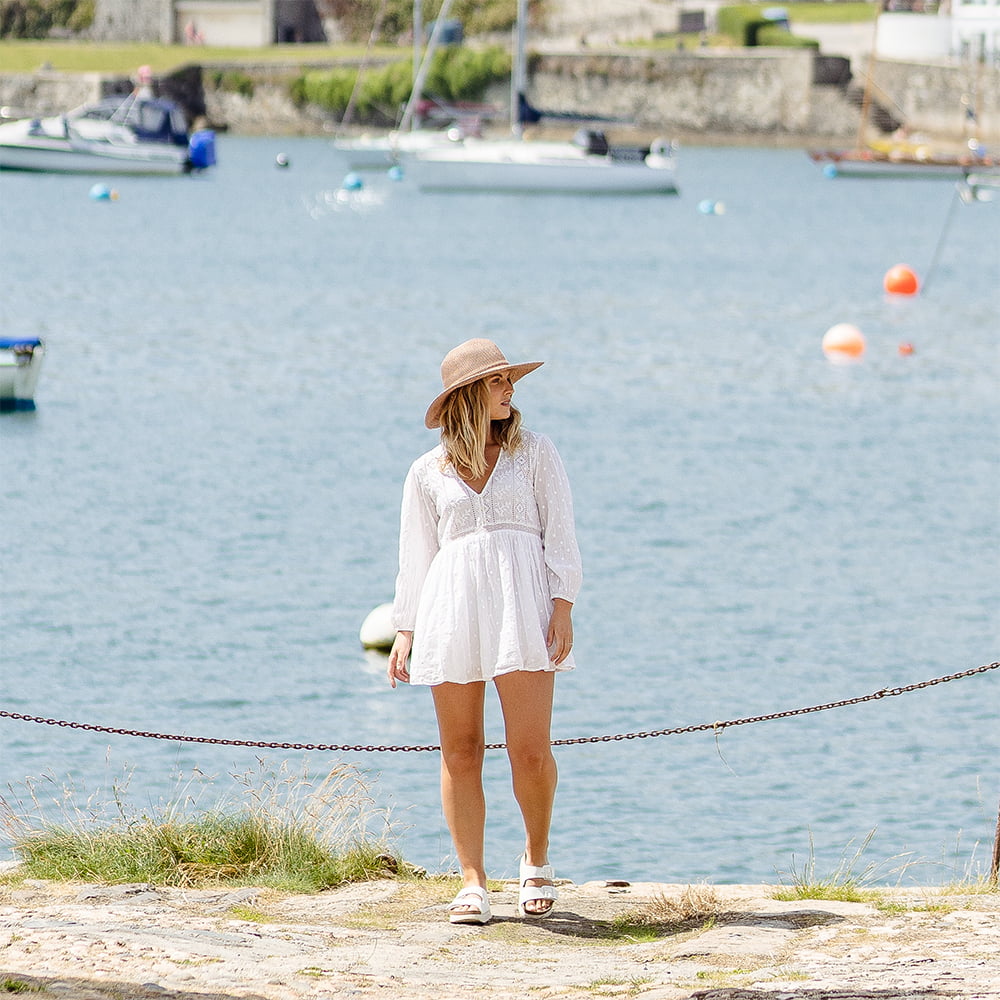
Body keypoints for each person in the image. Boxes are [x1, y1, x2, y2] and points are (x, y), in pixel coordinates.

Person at [388, 338, 582, 925]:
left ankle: (536, 860)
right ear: (469, 394)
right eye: (498, 380)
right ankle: (471, 879)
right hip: (450, 610)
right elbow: (417, 556)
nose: (510, 389)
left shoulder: (535, 454)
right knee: (461, 750)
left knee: (529, 750)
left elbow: (561, 533)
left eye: (509, 379)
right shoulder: (426, 472)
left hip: (523, 608)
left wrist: (563, 603)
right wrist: (405, 629)